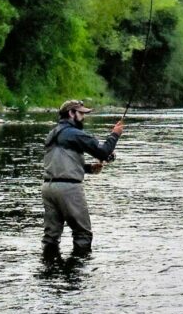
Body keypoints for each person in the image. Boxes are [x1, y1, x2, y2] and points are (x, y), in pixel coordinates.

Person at [42, 99, 123, 256]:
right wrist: (115, 134)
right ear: (71, 113)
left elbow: (59, 162)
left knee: (51, 237)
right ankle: (79, 276)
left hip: (48, 188)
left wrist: (88, 168)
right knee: (82, 234)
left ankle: (49, 273)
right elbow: (103, 152)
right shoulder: (74, 133)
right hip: (69, 190)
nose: (84, 117)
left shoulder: (52, 134)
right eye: (81, 113)